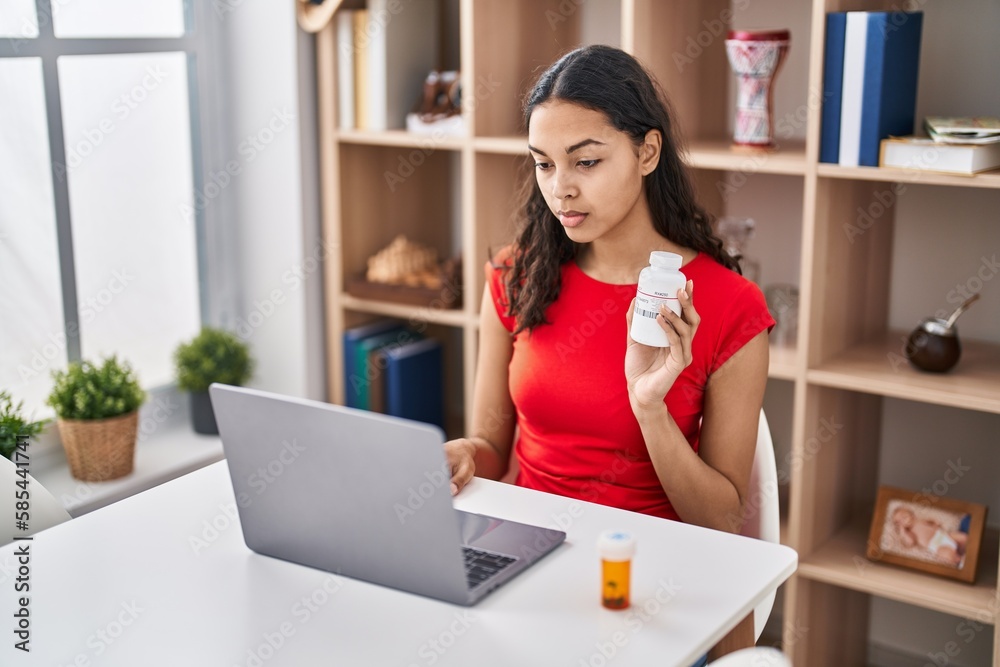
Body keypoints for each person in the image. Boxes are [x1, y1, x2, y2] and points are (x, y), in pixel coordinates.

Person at [444, 45, 774, 658]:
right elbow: (492, 450)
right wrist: (463, 454)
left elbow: (722, 524)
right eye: (543, 165)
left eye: (586, 162)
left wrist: (650, 406)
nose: (560, 190)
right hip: (525, 568)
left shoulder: (730, 307)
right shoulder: (517, 278)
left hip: (648, 584)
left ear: (647, 152)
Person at [889, 506, 968, 567]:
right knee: (946, 555)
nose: (903, 520)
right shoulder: (910, 532)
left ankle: (967, 550)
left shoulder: (920, 520)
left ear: (911, 514)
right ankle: (960, 560)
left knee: (963, 537)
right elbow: (910, 542)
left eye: (904, 516)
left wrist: (936, 523)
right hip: (937, 546)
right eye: (899, 522)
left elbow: (930, 521)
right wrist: (903, 531)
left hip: (944, 535)